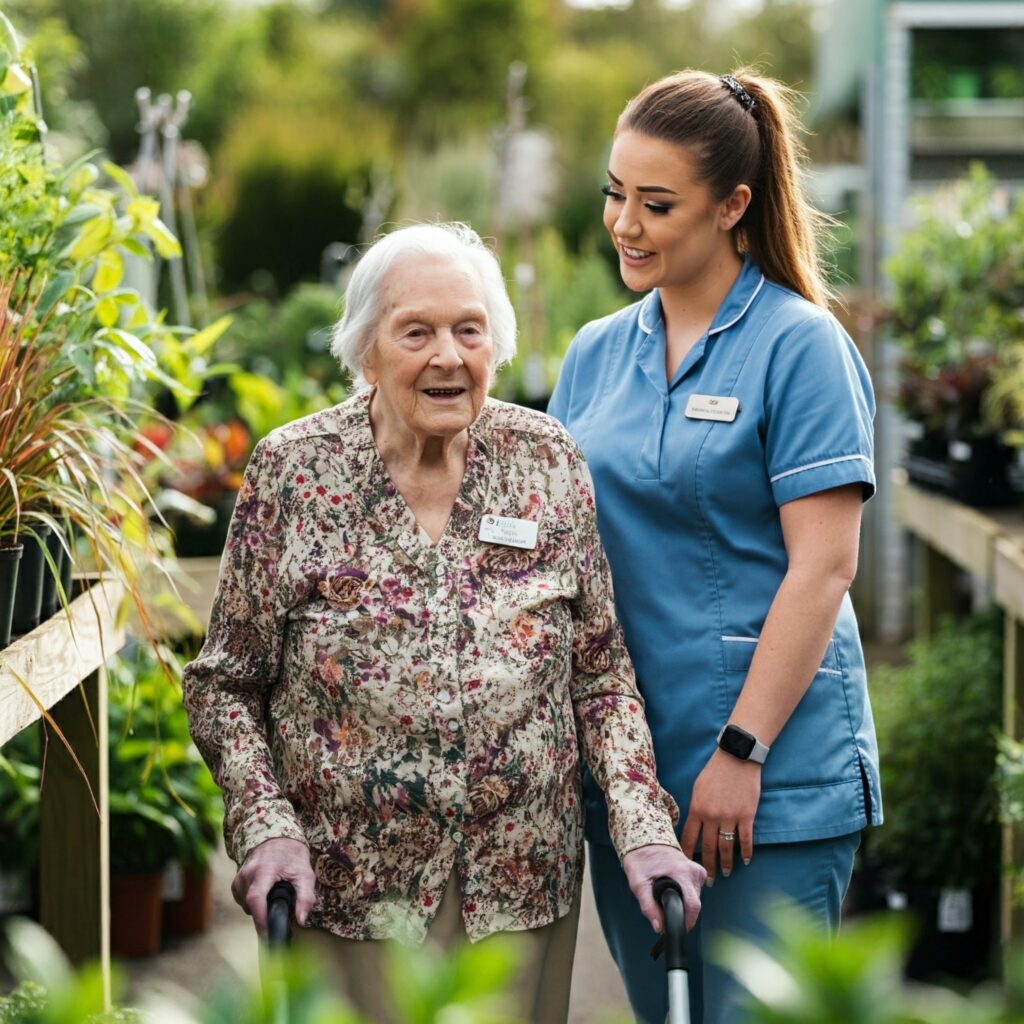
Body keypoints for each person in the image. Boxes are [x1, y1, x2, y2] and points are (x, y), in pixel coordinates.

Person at [182, 222, 705, 1024]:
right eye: (415, 332)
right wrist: (267, 827)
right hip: (348, 891)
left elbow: (599, 676)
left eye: (469, 330)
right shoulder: (296, 472)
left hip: (519, 889)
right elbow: (225, 685)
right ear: (367, 352)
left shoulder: (547, 462)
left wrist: (644, 828)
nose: (448, 357)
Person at [547, 69, 880, 1024]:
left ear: (734, 205)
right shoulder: (594, 354)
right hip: (635, 784)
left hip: (770, 781)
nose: (626, 224)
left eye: (658, 205)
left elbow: (825, 567)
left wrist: (743, 750)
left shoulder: (798, 346)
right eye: (615, 193)